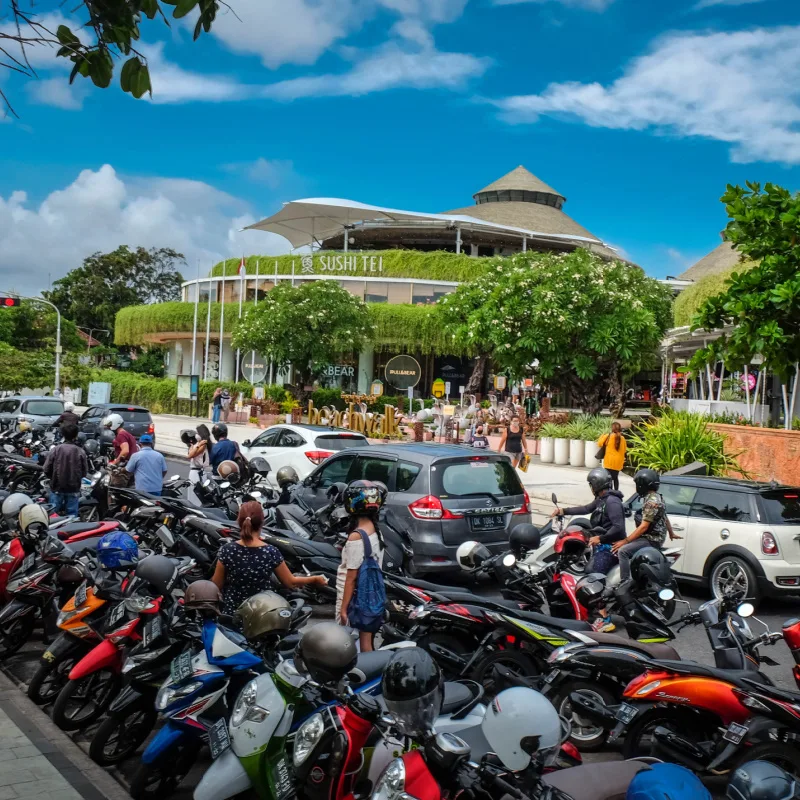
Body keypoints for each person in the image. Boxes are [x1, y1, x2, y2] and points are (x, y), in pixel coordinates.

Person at [212, 500, 327, 615]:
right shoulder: (270, 552)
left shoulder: (227, 550)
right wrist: (314, 579)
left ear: (239, 520)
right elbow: (290, 582)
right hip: (262, 613)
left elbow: (216, 585)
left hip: (233, 613)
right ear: (262, 522)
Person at [551, 467, 625, 632]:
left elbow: (618, 528)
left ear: (596, 484)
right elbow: (585, 509)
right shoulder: (602, 499)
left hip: (611, 548)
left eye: (591, 484)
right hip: (602, 546)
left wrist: (600, 538)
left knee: (593, 577)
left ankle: (605, 619)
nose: (590, 487)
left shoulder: (612, 502)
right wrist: (563, 511)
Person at [336, 479, 385, 652]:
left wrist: (343, 609)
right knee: (366, 641)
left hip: (355, 601)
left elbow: (351, 578)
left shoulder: (357, 536)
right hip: (370, 597)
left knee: (348, 645)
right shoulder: (375, 529)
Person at [612, 468, 681, 580]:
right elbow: (665, 517)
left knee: (623, 551)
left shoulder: (650, 502)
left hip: (650, 539)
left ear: (642, 485)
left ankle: (624, 582)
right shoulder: (658, 497)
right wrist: (671, 533)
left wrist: (625, 541)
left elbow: (644, 527)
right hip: (655, 538)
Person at [43, 422, 88, 517]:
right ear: (76, 435)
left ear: (62, 435)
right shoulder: (80, 451)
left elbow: (46, 469)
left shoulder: (56, 449)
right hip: (73, 488)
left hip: (57, 487)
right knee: (72, 515)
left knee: (52, 514)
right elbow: (84, 472)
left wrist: (52, 478)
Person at [598, 422, 627, 491]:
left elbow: (599, 444)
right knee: (615, 477)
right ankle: (616, 492)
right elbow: (625, 449)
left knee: (609, 478)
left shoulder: (608, 436)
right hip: (618, 462)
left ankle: (610, 492)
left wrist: (602, 435)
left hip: (609, 461)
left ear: (612, 428)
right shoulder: (622, 438)